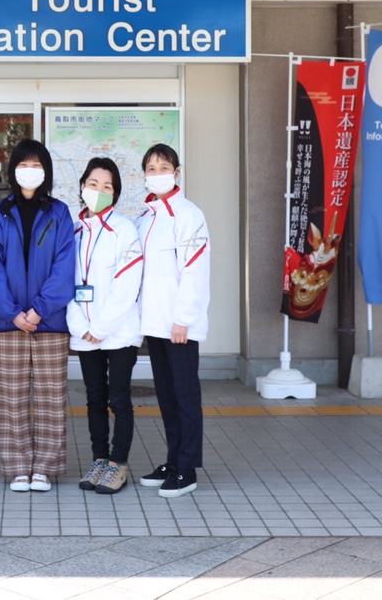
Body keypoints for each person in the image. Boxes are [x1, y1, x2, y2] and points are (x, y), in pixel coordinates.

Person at [0, 138, 75, 493]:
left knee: (53, 397)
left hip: (49, 322)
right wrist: (11, 312)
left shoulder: (60, 213)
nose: (30, 170)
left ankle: (45, 469)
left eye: (37, 165)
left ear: (46, 171)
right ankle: (19, 467)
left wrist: (38, 309)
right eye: (24, 164)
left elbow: (64, 267)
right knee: (11, 399)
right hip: (9, 324)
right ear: (13, 169)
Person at [135, 143, 211, 498]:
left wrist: (183, 318)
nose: (157, 173)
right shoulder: (145, 217)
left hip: (179, 325)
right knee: (166, 396)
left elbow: (194, 271)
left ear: (177, 172)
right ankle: (172, 459)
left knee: (185, 396)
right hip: (154, 323)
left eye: (163, 167)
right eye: (151, 168)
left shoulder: (189, 214)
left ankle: (187, 468)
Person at [66, 157, 143, 495]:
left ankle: (118, 463)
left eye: (107, 186)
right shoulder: (74, 230)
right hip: (85, 332)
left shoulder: (124, 230)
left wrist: (101, 325)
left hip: (119, 332)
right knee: (94, 398)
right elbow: (64, 282)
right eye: (93, 184)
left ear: (116, 194)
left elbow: (128, 285)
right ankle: (99, 459)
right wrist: (79, 324)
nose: (99, 191)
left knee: (119, 398)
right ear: (82, 186)